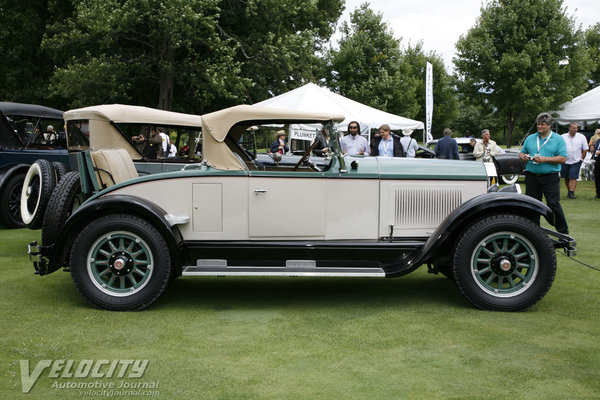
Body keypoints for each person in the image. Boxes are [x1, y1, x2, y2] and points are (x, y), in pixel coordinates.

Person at [519, 112, 568, 234]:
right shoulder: (530, 138)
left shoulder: (558, 139)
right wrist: (523, 156)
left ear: (549, 125)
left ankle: (563, 231)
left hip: (550, 177)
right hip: (532, 177)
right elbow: (521, 153)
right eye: (538, 124)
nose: (540, 127)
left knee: (553, 204)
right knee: (531, 205)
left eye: (543, 124)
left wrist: (545, 159)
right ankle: (532, 231)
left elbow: (563, 158)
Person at [560, 123, 588, 199]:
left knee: (573, 176)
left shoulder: (581, 137)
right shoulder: (562, 137)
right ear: (569, 128)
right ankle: (569, 191)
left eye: (576, 128)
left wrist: (581, 159)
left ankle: (572, 193)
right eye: (573, 128)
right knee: (566, 177)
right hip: (565, 160)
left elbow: (585, 149)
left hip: (576, 160)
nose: (575, 129)